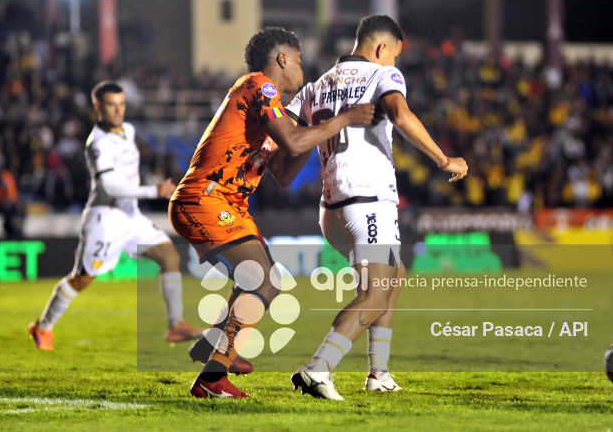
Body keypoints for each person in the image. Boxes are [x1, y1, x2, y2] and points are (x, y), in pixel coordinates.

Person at [169, 26, 377, 399]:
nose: (302, 67)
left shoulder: (272, 106)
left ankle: (214, 346)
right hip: (206, 200)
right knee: (261, 281)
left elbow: (282, 172)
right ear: (282, 59)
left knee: (267, 281)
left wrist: (318, 127)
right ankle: (213, 377)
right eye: (298, 60)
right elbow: (293, 141)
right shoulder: (259, 85)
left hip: (226, 204)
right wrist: (342, 119)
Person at [285, 14, 468, 400]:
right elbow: (400, 115)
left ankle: (378, 374)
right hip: (366, 198)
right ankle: (319, 369)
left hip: (331, 208)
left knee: (393, 275)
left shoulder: (315, 86)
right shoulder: (382, 75)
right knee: (376, 293)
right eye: (395, 56)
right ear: (381, 48)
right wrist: (444, 159)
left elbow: (290, 139)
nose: (395, 64)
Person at [28, 81, 203, 350]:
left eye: (121, 104)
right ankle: (42, 327)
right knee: (82, 279)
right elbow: (109, 187)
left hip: (131, 218)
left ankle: (176, 325)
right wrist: (153, 190)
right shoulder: (96, 144)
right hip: (105, 220)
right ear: (98, 107)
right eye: (111, 105)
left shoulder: (128, 131)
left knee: (169, 255)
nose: (118, 111)